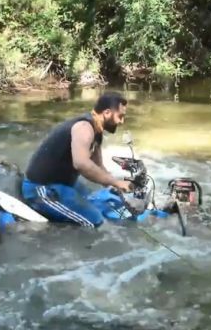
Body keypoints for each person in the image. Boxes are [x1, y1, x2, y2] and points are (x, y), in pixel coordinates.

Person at [21, 92, 133, 228]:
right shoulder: (84, 128)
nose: (121, 122)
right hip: (41, 189)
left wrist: (117, 187)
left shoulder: (96, 132)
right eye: (120, 116)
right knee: (95, 221)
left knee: (95, 200)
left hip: (62, 185)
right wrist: (115, 182)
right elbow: (82, 164)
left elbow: (99, 166)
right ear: (107, 113)